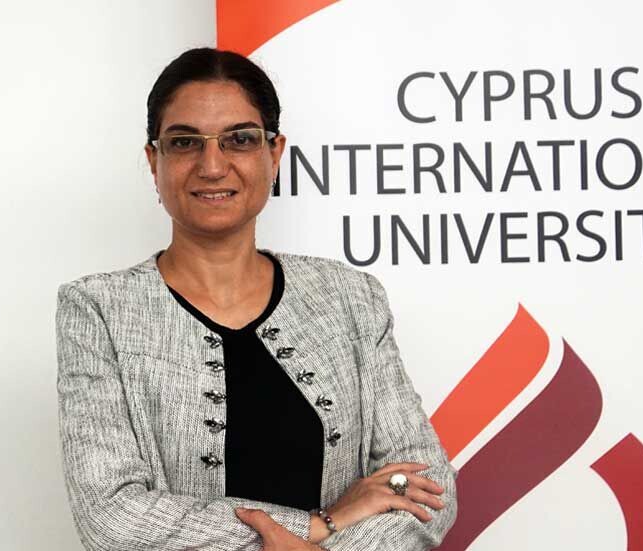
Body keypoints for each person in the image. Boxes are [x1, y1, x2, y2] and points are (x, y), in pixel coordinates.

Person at [56, 47, 457, 551]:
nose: (212, 166)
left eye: (240, 139)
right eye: (185, 142)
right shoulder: (99, 310)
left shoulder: (350, 298)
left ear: (274, 154)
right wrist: (320, 524)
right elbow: (111, 516)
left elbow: (425, 484)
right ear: (155, 161)